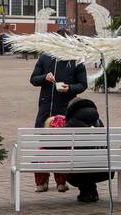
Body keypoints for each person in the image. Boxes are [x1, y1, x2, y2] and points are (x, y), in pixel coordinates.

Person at [30, 31, 87, 192]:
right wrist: (44, 78)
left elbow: (83, 84)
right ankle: (41, 181)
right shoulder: (45, 57)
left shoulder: (75, 60)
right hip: (45, 108)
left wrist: (70, 88)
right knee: (43, 146)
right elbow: (33, 79)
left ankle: (61, 181)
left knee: (62, 146)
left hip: (65, 108)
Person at [64, 98, 111, 202]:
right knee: (88, 158)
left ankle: (86, 192)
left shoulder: (71, 123)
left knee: (76, 160)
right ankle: (92, 191)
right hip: (102, 166)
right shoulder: (99, 122)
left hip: (76, 167)